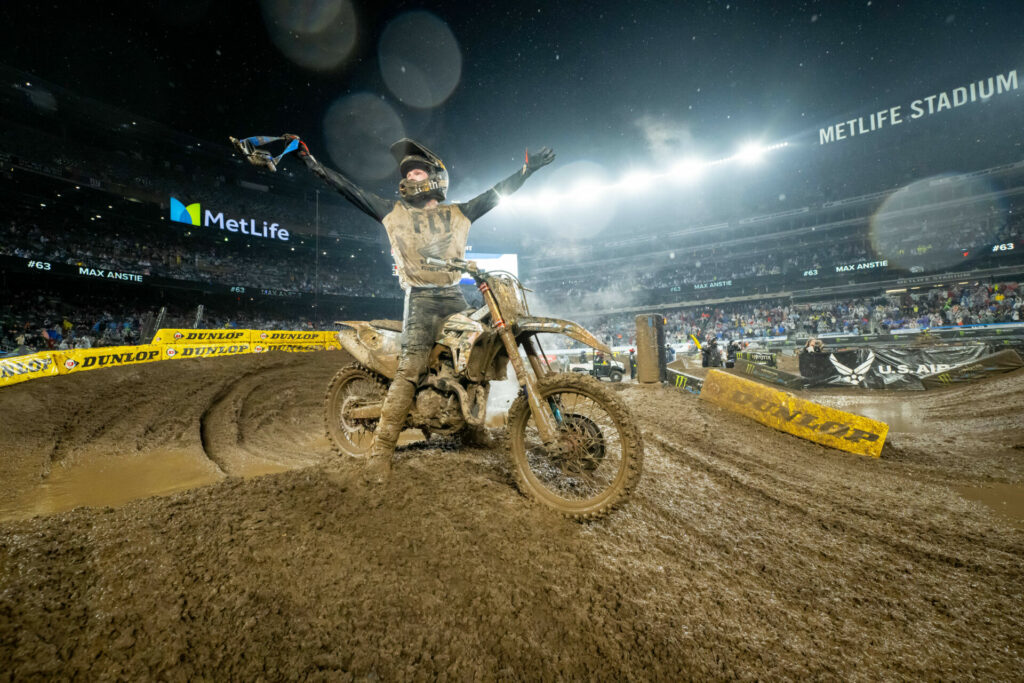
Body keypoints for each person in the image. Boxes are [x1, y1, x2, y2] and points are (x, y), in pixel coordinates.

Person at [289, 135, 555, 481]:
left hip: (452, 295)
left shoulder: (458, 212)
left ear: (434, 179)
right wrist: (314, 165)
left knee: (480, 357)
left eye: (417, 173)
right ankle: (381, 451)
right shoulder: (392, 212)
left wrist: (527, 170)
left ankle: (470, 429)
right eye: (408, 174)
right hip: (420, 299)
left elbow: (495, 194)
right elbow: (349, 190)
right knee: (410, 368)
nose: (411, 177)